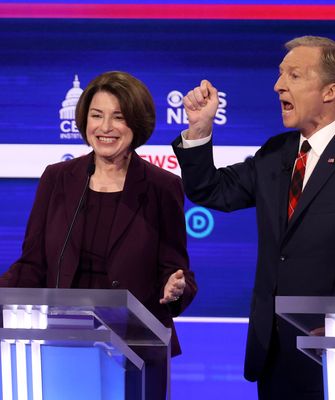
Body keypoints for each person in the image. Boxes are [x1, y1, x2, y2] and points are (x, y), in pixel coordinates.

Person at [172, 36, 335, 399]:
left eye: (294, 75)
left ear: (331, 91)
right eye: (281, 75)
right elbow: (212, 190)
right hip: (273, 354)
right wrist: (199, 130)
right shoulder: (276, 153)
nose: (278, 85)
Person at [1, 71, 197, 399]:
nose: (105, 128)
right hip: (63, 346)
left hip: (136, 350)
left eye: (118, 117)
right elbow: (32, 265)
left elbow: (176, 271)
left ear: (137, 124)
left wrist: (175, 288)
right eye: (96, 116)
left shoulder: (162, 188)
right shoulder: (58, 179)